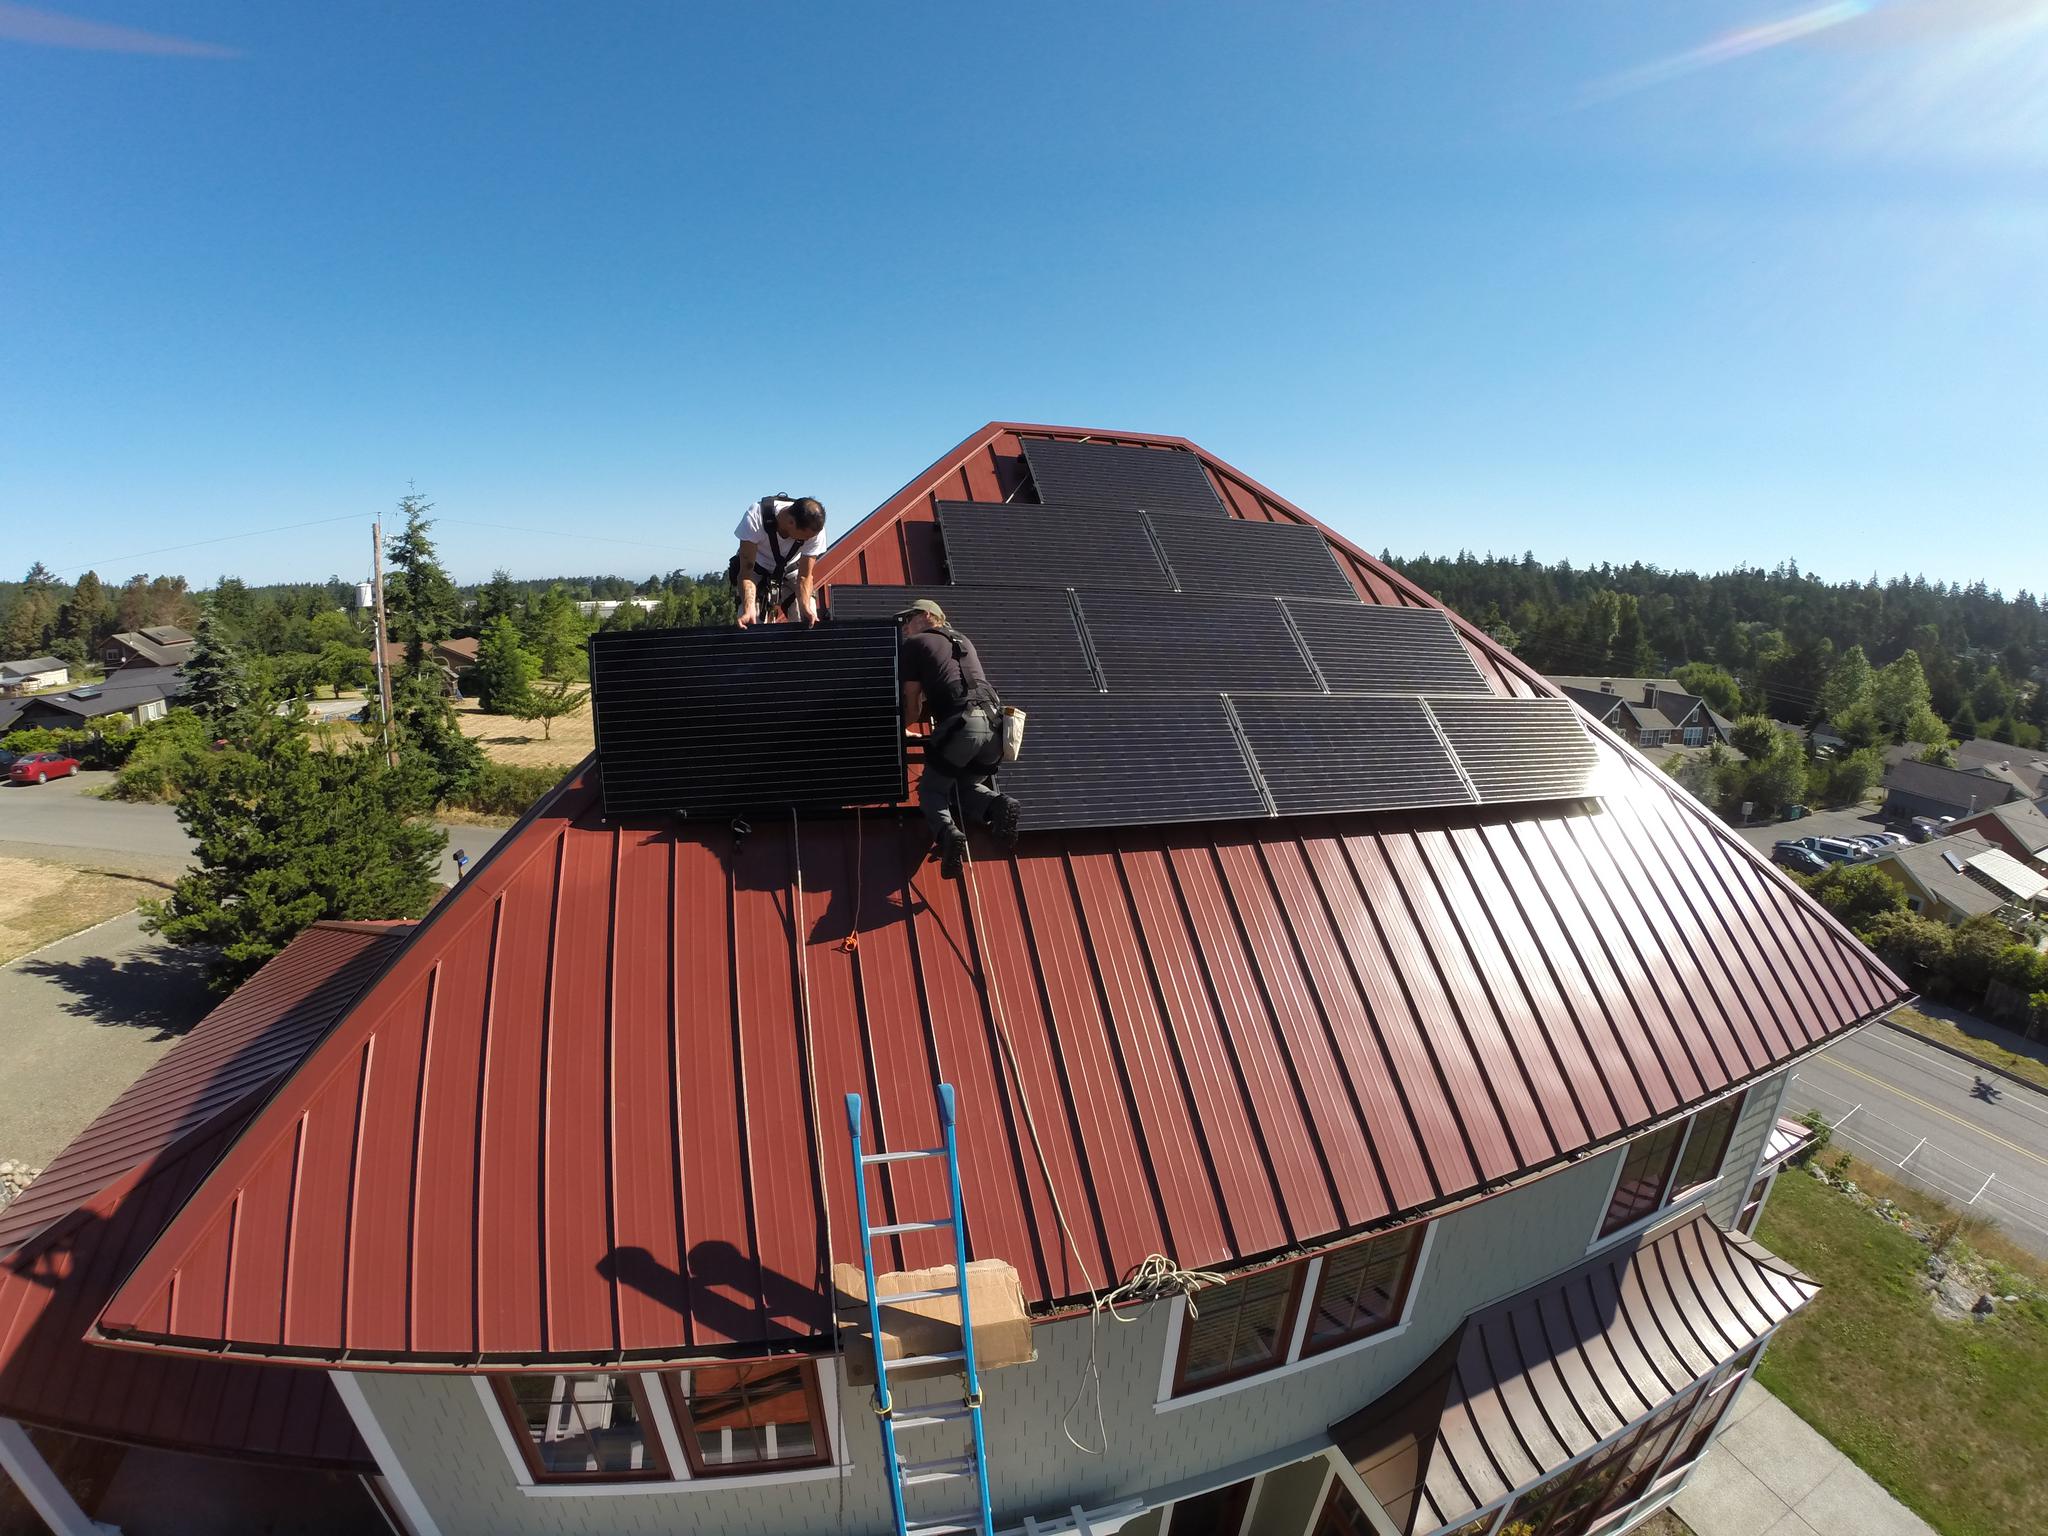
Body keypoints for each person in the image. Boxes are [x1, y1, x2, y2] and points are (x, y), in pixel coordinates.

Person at [896, 598, 1021, 877]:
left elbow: (913, 705)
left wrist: (899, 728)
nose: (905, 627)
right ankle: (999, 804)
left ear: (928, 616)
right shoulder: (962, 639)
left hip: (964, 724)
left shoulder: (915, 645)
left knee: (931, 790)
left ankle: (948, 835)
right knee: (964, 785)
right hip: (997, 726)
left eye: (909, 619)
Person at [731, 495, 827, 626]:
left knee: (807, 619)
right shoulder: (755, 518)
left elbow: (805, 576)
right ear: (791, 523)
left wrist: (806, 608)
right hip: (756, 569)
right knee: (751, 621)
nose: (808, 540)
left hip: (792, 571)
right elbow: (746, 575)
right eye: (805, 537)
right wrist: (748, 609)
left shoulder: (814, 531)